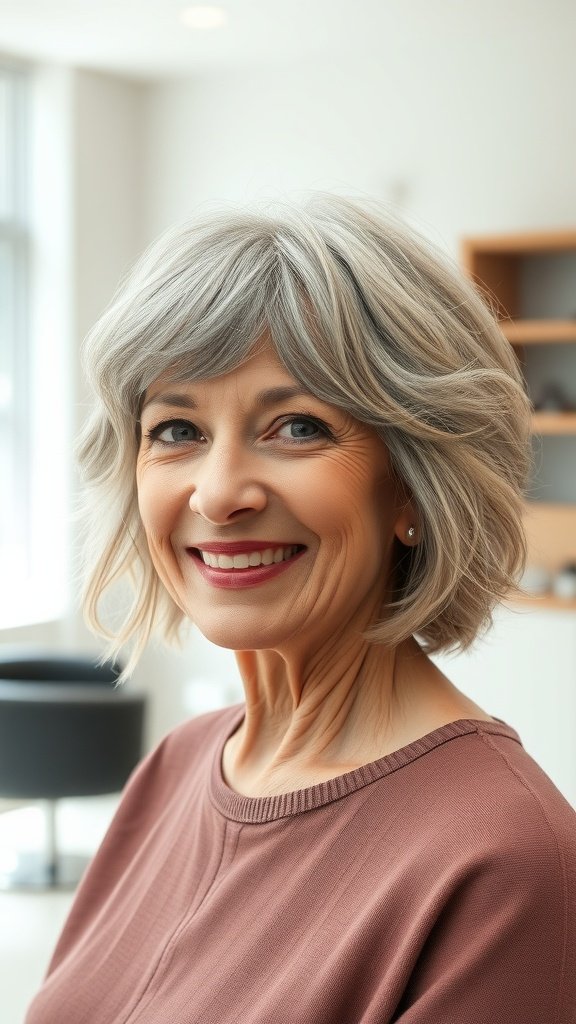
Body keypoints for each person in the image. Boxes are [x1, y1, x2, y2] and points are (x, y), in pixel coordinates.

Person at [26, 194, 576, 1024]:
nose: (218, 493)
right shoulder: (178, 765)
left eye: (295, 427)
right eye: (176, 430)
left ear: (416, 485)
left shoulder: (507, 863)